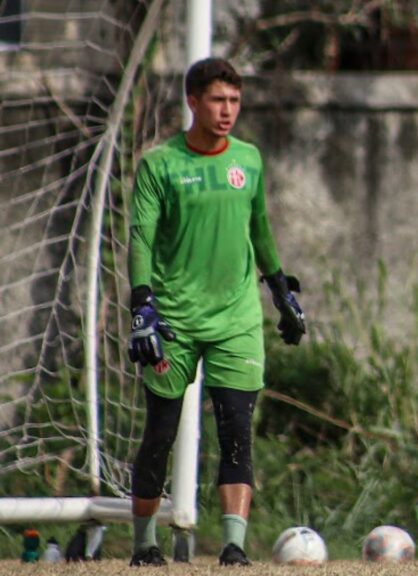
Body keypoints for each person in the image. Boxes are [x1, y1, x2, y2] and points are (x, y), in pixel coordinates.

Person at [126, 57, 306, 567]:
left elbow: (261, 228)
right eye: (217, 100)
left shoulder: (247, 159)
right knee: (160, 433)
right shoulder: (160, 164)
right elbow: (140, 237)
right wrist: (142, 302)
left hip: (236, 319)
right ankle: (144, 547)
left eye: (234, 100)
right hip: (175, 321)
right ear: (193, 101)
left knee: (235, 431)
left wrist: (280, 289)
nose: (227, 111)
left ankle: (233, 547)